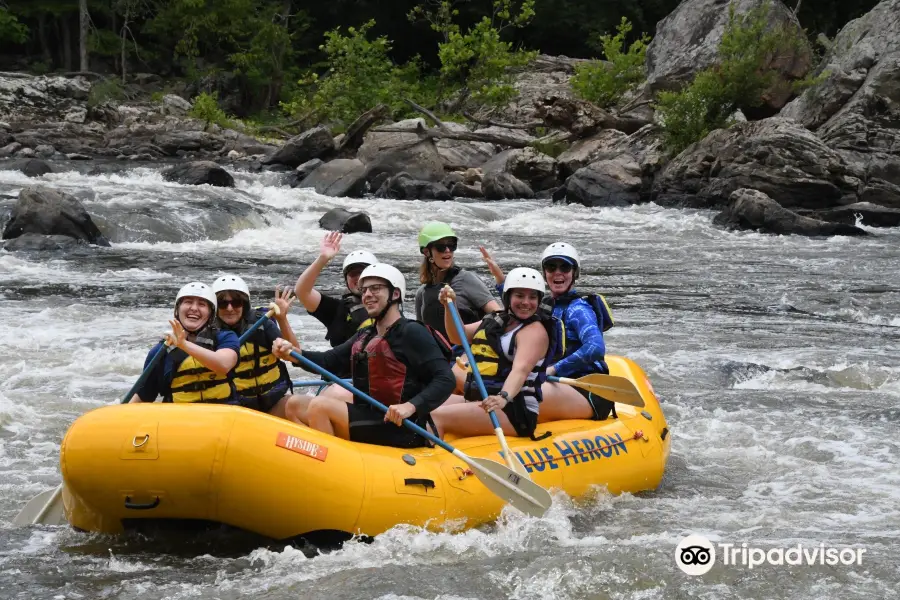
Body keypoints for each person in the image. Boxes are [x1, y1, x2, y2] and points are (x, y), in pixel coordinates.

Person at [272, 264, 455, 448]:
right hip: (369, 417)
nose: (367, 294)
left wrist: (410, 406)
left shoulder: (411, 331)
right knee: (294, 405)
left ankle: (330, 465)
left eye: (375, 288)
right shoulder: (366, 334)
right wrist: (294, 355)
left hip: (401, 427)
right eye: (364, 290)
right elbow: (329, 361)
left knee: (320, 406)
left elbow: (446, 379)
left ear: (396, 294)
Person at [481, 242, 616, 422]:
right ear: (545, 273)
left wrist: (554, 369)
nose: (558, 272)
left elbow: (595, 347)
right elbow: (519, 304)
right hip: (556, 385)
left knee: (520, 394)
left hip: (586, 389)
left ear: (574, 273)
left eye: (565, 267)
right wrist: (500, 279)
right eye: (551, 267)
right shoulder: (545, 304)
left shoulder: (579, 310)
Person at [428, 267, 562, 440]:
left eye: (532, 297)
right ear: (508, 297)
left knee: (436, 416)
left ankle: (426, 460)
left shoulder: (534, 332)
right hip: (483, 400)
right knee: (424, 406)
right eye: (519, 296)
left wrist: (503, 397)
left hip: (514, 410)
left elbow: (520, 370)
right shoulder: (496, 321)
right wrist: (449, 306)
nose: (526, 302)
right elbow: (457, 336)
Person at [130, 282, 239, 404]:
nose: (194, 308)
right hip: (181, 420)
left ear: (210, 313)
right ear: (177, 309)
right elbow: (143, 397)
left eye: (202, 304)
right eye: (188, 302)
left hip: (224, 418)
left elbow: (223, 364)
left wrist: (183, 345)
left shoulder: (225, 337)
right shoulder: (159, 352)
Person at [212, 274, 298, 415]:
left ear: (245, 304)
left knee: (303, 408)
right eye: (222, 303)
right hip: (236, 411)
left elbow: (296, 357)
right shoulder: (209, 334)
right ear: (214, 307)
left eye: (236, 302)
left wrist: (282, 319)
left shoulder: (262, 324)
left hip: (274, 402)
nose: (229, 308)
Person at [414, 221, 501, 341]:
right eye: (441, 246)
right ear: (426, 252)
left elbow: (499, 315)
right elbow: (422, 335)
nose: (448, 250)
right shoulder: (422, 293)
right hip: (440, 356)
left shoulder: (466, 279)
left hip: (468, 352)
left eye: (451, 245)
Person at [294, 231, 377, 347]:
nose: (359, 278)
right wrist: (323, 258)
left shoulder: (388, 307)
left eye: (363, 273)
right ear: (346, 280)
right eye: (353, 274)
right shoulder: (337, 310)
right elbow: (302, 292)